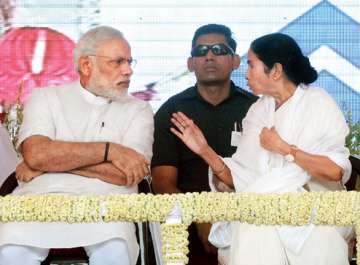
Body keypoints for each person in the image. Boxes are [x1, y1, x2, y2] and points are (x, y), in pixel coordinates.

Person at [170, 33, 352, 265]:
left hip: (315, 215)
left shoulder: (317, 102)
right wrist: (204, 150)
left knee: (258, 224)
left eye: (251, 65)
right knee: (257, 224)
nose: (245, 74)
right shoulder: (258, 111)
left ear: (275, 70)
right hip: (264, 211)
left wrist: (285, 148)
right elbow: (242, 177)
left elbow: (335, 170)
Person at [0, 26, 154, 265]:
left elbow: (127, 173)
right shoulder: (45, 98)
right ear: (86, 66)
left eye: (130, 61)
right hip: (38, 203)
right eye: (118, 62)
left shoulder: (139, 109)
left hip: (107, 208)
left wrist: (52, 164)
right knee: (11, 252)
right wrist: (109, 151)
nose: (128, 70)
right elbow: (37, 154)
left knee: (115, 252)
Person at [151, 24, 257, 265]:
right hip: (185, 223)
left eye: (219, 50)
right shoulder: (172, 111)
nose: (209, 56)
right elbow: (162, 183)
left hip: (246, 218)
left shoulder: (255, 109)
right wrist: (199, 216)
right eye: (201, 51)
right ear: (191, 63)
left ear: (235, 61)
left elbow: (263, 178)